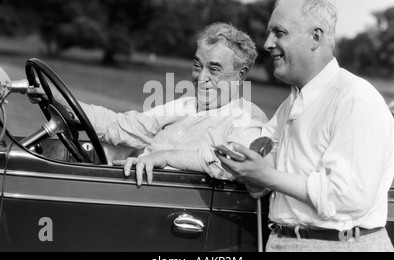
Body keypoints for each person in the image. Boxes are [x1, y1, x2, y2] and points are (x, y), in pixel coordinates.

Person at [216, 0, 394, 252]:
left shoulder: (355, 98)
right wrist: (253, 174)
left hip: (339, 245)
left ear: (315, 38)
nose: (267, 43)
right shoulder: (290, 104)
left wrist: (267, 176)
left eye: (279, 32)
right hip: (285, 242)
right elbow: (265, 171)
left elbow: (348, 196)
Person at [29, 22, 268, 185]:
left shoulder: (247, 117)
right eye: (197, 65)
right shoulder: (185, 105)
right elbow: (122, 126)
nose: (201, 77)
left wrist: (163, 157)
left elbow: (233, 165)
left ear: (241, 74)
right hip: (139, 192)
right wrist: (55, 97)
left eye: (214, 69)